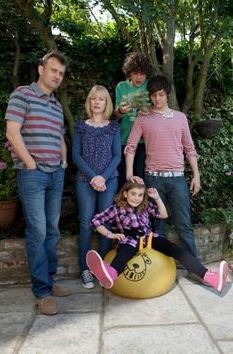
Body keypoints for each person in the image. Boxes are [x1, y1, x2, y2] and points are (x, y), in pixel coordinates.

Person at [5, 51, 72, 315]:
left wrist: (63, 163)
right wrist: (31, 164)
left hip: (56, 174)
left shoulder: (55, 105)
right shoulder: (22, 94)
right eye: (54, 70)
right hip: (33, 175)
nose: (58, 76)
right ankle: (41, 292)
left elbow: (59, 137)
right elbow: (12, 131)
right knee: (38, 231)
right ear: (41, 68)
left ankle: (50, 280)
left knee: (52, 231)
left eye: (62, 74)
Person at [86, 182, 229, 292]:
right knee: (125, 252)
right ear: (125, 194)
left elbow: (164, 215)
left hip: (149, 238)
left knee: (178, 251)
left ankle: (211, 278)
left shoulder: (145, 206)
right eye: (133, 194)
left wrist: (157, 198)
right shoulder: (116, 209)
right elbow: (96, 220)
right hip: (130, 239)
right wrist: (110, 234)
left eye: (140, 195)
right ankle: (111, 274)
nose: (137, 198)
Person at [125, 74, 200, 258]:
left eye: (160, 94)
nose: (157, 99)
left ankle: (194, 267)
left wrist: (196, 176)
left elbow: (189, 148)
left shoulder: (181, 118)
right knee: (157, 226)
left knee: (184, 224)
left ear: (167, 94)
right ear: (149, 96)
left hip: (177, 179)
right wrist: (129, 174)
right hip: (153, 179)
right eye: (153, 95)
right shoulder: (143, 118)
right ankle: (160, 268)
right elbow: (130, 146)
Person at [72, 85, 121, 289]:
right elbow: (76, 155)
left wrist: (103, 177)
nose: (97, 102)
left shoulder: (113, 127)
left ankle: (101, 267)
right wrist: (94, 177)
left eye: (101, 99)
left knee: (105, 224)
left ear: (106, 103)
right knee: (85, 224)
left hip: (109, 181)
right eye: (93, 98)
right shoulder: (80, 126)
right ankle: (85, 269)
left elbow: (117, 155)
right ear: (89, 102)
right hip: (85, 181)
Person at [114, 52, 153, 186]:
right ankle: (124, 207)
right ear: (129, 73)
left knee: (141, 178)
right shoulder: (121, 87)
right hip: (124, 138)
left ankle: (142, 207)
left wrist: (148, 110)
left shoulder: (150, 85)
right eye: (135, 73)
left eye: (142, 73)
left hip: (144, 141)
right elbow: (116, 115)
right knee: (124, 179)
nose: (139, 77)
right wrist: (121, 110)